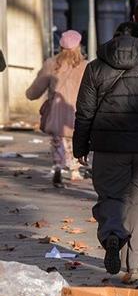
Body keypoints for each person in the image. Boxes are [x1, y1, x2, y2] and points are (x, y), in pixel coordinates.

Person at [72, 22, 138, 275]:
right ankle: (135, 261)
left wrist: (80, 147)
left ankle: (112, 233)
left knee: (111, 195)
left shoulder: (95, 67)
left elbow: (85, 112)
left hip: (108, 146)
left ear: (113, 39)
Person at [26, 30, 88, 187]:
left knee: (58, 141)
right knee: (76, 140)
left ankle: (58, 165)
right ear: (79, 46)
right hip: (78, 111)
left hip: (56, 110)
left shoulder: (51, 64)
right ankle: (75, 170)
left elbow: (37, 87)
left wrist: (30, 94)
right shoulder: (85, 66)